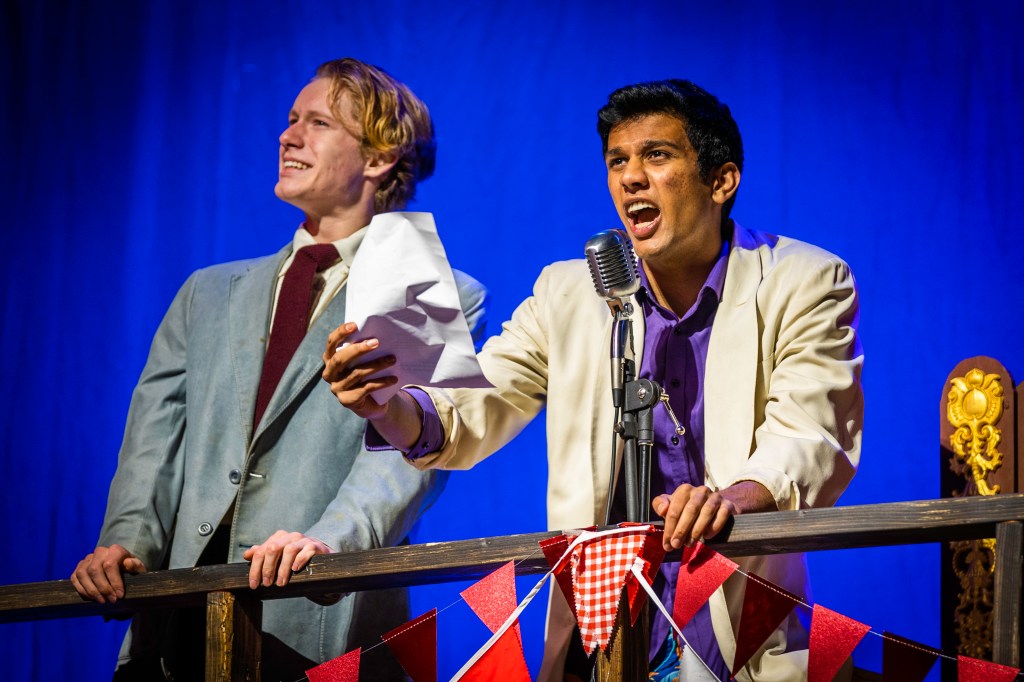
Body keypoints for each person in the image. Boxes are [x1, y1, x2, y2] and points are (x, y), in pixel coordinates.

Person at [324, 79, 862, 681]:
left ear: (721, 180)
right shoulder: (569, 291)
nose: (631, 177)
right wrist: (386, 406)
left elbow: (811, 433)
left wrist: (730, 499)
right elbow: (472, 405)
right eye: (617, 161)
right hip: (598, 644)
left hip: (737, 642)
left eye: (656, 155)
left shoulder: (804, 280)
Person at [70, 57, 487, 681]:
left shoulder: (425, 290)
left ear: (380, 157)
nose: (288, 136)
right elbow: (153, 441)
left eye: (317, 123)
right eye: (291, 120)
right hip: (174, 625)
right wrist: (127, 542)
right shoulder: (208, 292)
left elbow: (407, 455)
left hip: (317, 623)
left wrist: (331, 541)